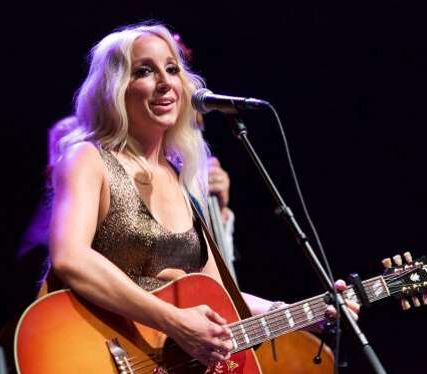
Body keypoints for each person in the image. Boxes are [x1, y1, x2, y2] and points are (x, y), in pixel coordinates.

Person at [42, 22, 359, 366]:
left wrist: (296, 313)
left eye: (172, 69)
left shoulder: (182, 180)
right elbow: (70, 258)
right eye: (144, 71)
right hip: (94, 351)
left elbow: (218, 294)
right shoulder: (88, 158)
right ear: (115, 89)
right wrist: (173, 321)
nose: (165, 82)